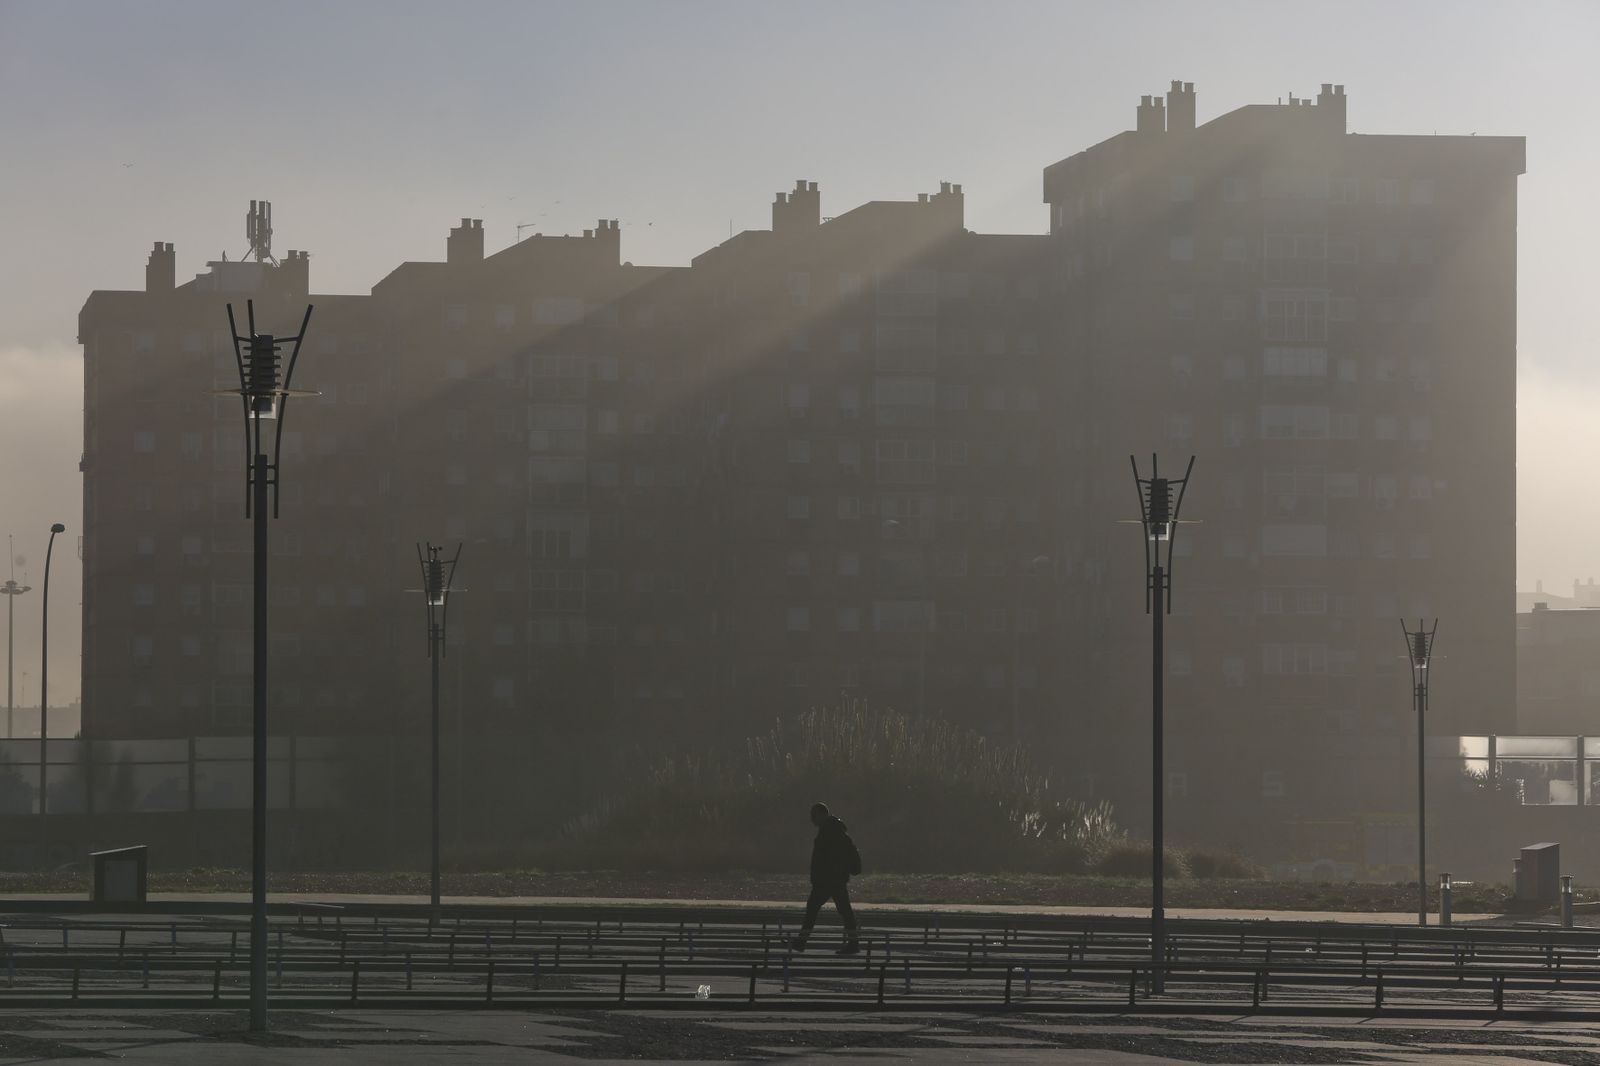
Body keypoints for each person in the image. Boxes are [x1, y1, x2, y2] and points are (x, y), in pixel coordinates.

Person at [788, 801, 861, 954]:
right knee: (843, 911)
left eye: (813, 815)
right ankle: (853, 943)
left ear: (821, 814)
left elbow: (827, 858)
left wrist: (820, 877)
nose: (811, 819)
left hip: (828, 880)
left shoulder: (830, 831)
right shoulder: (834, 829)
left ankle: (801, 942)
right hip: (834, 879)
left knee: (814, 909)